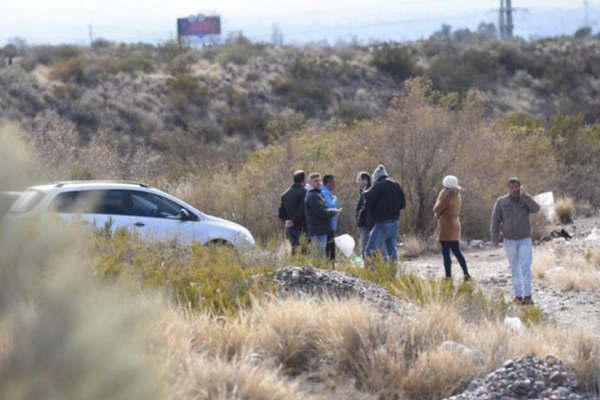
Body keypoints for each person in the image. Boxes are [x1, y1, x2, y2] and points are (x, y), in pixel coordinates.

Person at [491, 177, 541, 305]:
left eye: (517, 187)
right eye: (512, 187)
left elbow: (536, 209)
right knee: (514, 268)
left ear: (520, 187)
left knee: (526, 267)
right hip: (509, 240)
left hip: (524, 239)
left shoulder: (525, 199)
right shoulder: (501, 201)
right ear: (509, 188)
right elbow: (495, 220)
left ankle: (528, 296)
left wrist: (525, 196)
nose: (514, 189)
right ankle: (518, 296)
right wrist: (495, 238)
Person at [364, 165, 406, 262]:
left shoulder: (378, 186)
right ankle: (392, 273)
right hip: (395, 222)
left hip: (382, 223)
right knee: (392, 251)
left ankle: (368, 273)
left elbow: (368, 200)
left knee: (370, 250)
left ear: (376, 177)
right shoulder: (396, 185)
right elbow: (403, 204)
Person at [433, 175, 471, 281]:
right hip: (455, 223)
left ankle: (448, 276)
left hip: (445, 224)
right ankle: (466, 273)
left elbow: (437, 208)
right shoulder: (457, 194)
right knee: (457, 251)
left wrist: (436, 210)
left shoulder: (446, 193)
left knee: (446, 252)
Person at [305, 173, 342, 259]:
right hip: (317, 232)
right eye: (315, 181)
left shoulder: (318, 194)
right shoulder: (313, 196)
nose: (318, 183)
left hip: (321, 230)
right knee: (318, 257)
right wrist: (334, 212)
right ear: (310, 183)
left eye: (319, 180)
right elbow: (322, 212)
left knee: (320, 256)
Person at [279, 170, 307, 255]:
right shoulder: (304, 192)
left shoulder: (284, 194)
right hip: (302, 228)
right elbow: (302, 210)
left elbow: (281, 213)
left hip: (289, 229)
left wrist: (287, 221)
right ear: (303, 180)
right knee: (303, 254)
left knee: (293, 252)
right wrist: (293, 221)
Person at [321, 174, 338, 261]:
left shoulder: (326, 192)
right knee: (330, 249)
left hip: (330, 225)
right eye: (333, 182)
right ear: (329, 183)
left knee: (330, 248)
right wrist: (335, 199)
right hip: (328, 225)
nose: (335, 184)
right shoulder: (325, 192)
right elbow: (331, 205)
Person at [355, 171, 372, 258]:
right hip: (364, 223)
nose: (358, 182)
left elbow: (365, 209)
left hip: (367, 224)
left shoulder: (369, 191)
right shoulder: (363, 191)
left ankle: (368, 267)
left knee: (366, 246)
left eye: (359, 180)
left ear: (365, 180)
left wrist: (360, 218)